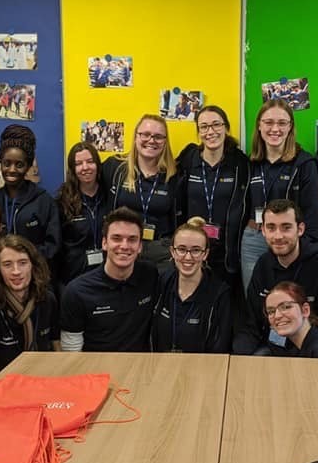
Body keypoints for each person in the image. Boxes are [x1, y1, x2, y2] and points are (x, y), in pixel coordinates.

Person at [234, 199, 318, 355]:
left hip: (312, 352)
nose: (278, 236)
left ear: (300, 229)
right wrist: (241, 357)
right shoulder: (263, 264)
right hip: (271, 348)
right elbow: (252, 323)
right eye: (271, 228)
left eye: (286, 228)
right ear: (263, 230)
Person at [242, 100, 318, 291]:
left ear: (290, 127)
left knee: (289, 300)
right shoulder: (250, 163)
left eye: (282, 123)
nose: (274, 129)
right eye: (268, 122)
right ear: (259, 126)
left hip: (289, 239)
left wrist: (306, 248)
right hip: (254, 239)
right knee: (256, 299)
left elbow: (311, 211)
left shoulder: (304, 163)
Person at [176, 105, 249, 303]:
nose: (211, 131)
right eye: (204, 127)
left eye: (216, 125)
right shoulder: (188, 160)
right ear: (198, 132)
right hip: (192, 251)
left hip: (227, 252)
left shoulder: (240, 163)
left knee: (224, 305)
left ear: (226, 128)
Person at [60, 207, 158, 352]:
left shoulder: (150, 275)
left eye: (132, 239)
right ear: (104, 243)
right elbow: (71, 350)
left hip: (140, 369)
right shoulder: (77, 291)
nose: (124, 246)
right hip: (96, 372)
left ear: (140, 247)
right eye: (116, 238)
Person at [102, 115, 182, 269]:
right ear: (135, 137)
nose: (151, 140)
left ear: (165, 142)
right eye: (145, 134)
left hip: (161, 251)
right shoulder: (115, 168)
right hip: (123, 247)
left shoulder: (175, 175)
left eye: (158, 137)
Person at [0, 235, 59, 370]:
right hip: (7, 385)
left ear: (33, 266)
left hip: (45, 378)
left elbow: (58, 349)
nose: (16, 271)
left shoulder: (47, 300)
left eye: (23, 263)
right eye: (7, 264)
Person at [150, 217, 232, 353]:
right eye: (181, 249)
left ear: (205, 254)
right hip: (161, 367)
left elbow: (220, 347)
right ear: (172, 251)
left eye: (195, 250)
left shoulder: (220, 294)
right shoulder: (162, 283)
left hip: (201, 370)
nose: (188, 257)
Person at [0, 125, 61, 263]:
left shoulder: (44, 201)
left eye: (19, 165)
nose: (11, 170)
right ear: (0, 164)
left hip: (34, 276)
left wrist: (24, 260)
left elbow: (53, 247)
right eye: (6, 163)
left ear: (28, 166)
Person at [56, 141, 112, 285]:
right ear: (72, 169)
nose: (85, 167)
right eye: (79, 164)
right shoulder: (62, 200)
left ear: (98, 164)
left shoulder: (111, 196)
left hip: (108, 272)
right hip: (74, 275)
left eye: (90, 161)